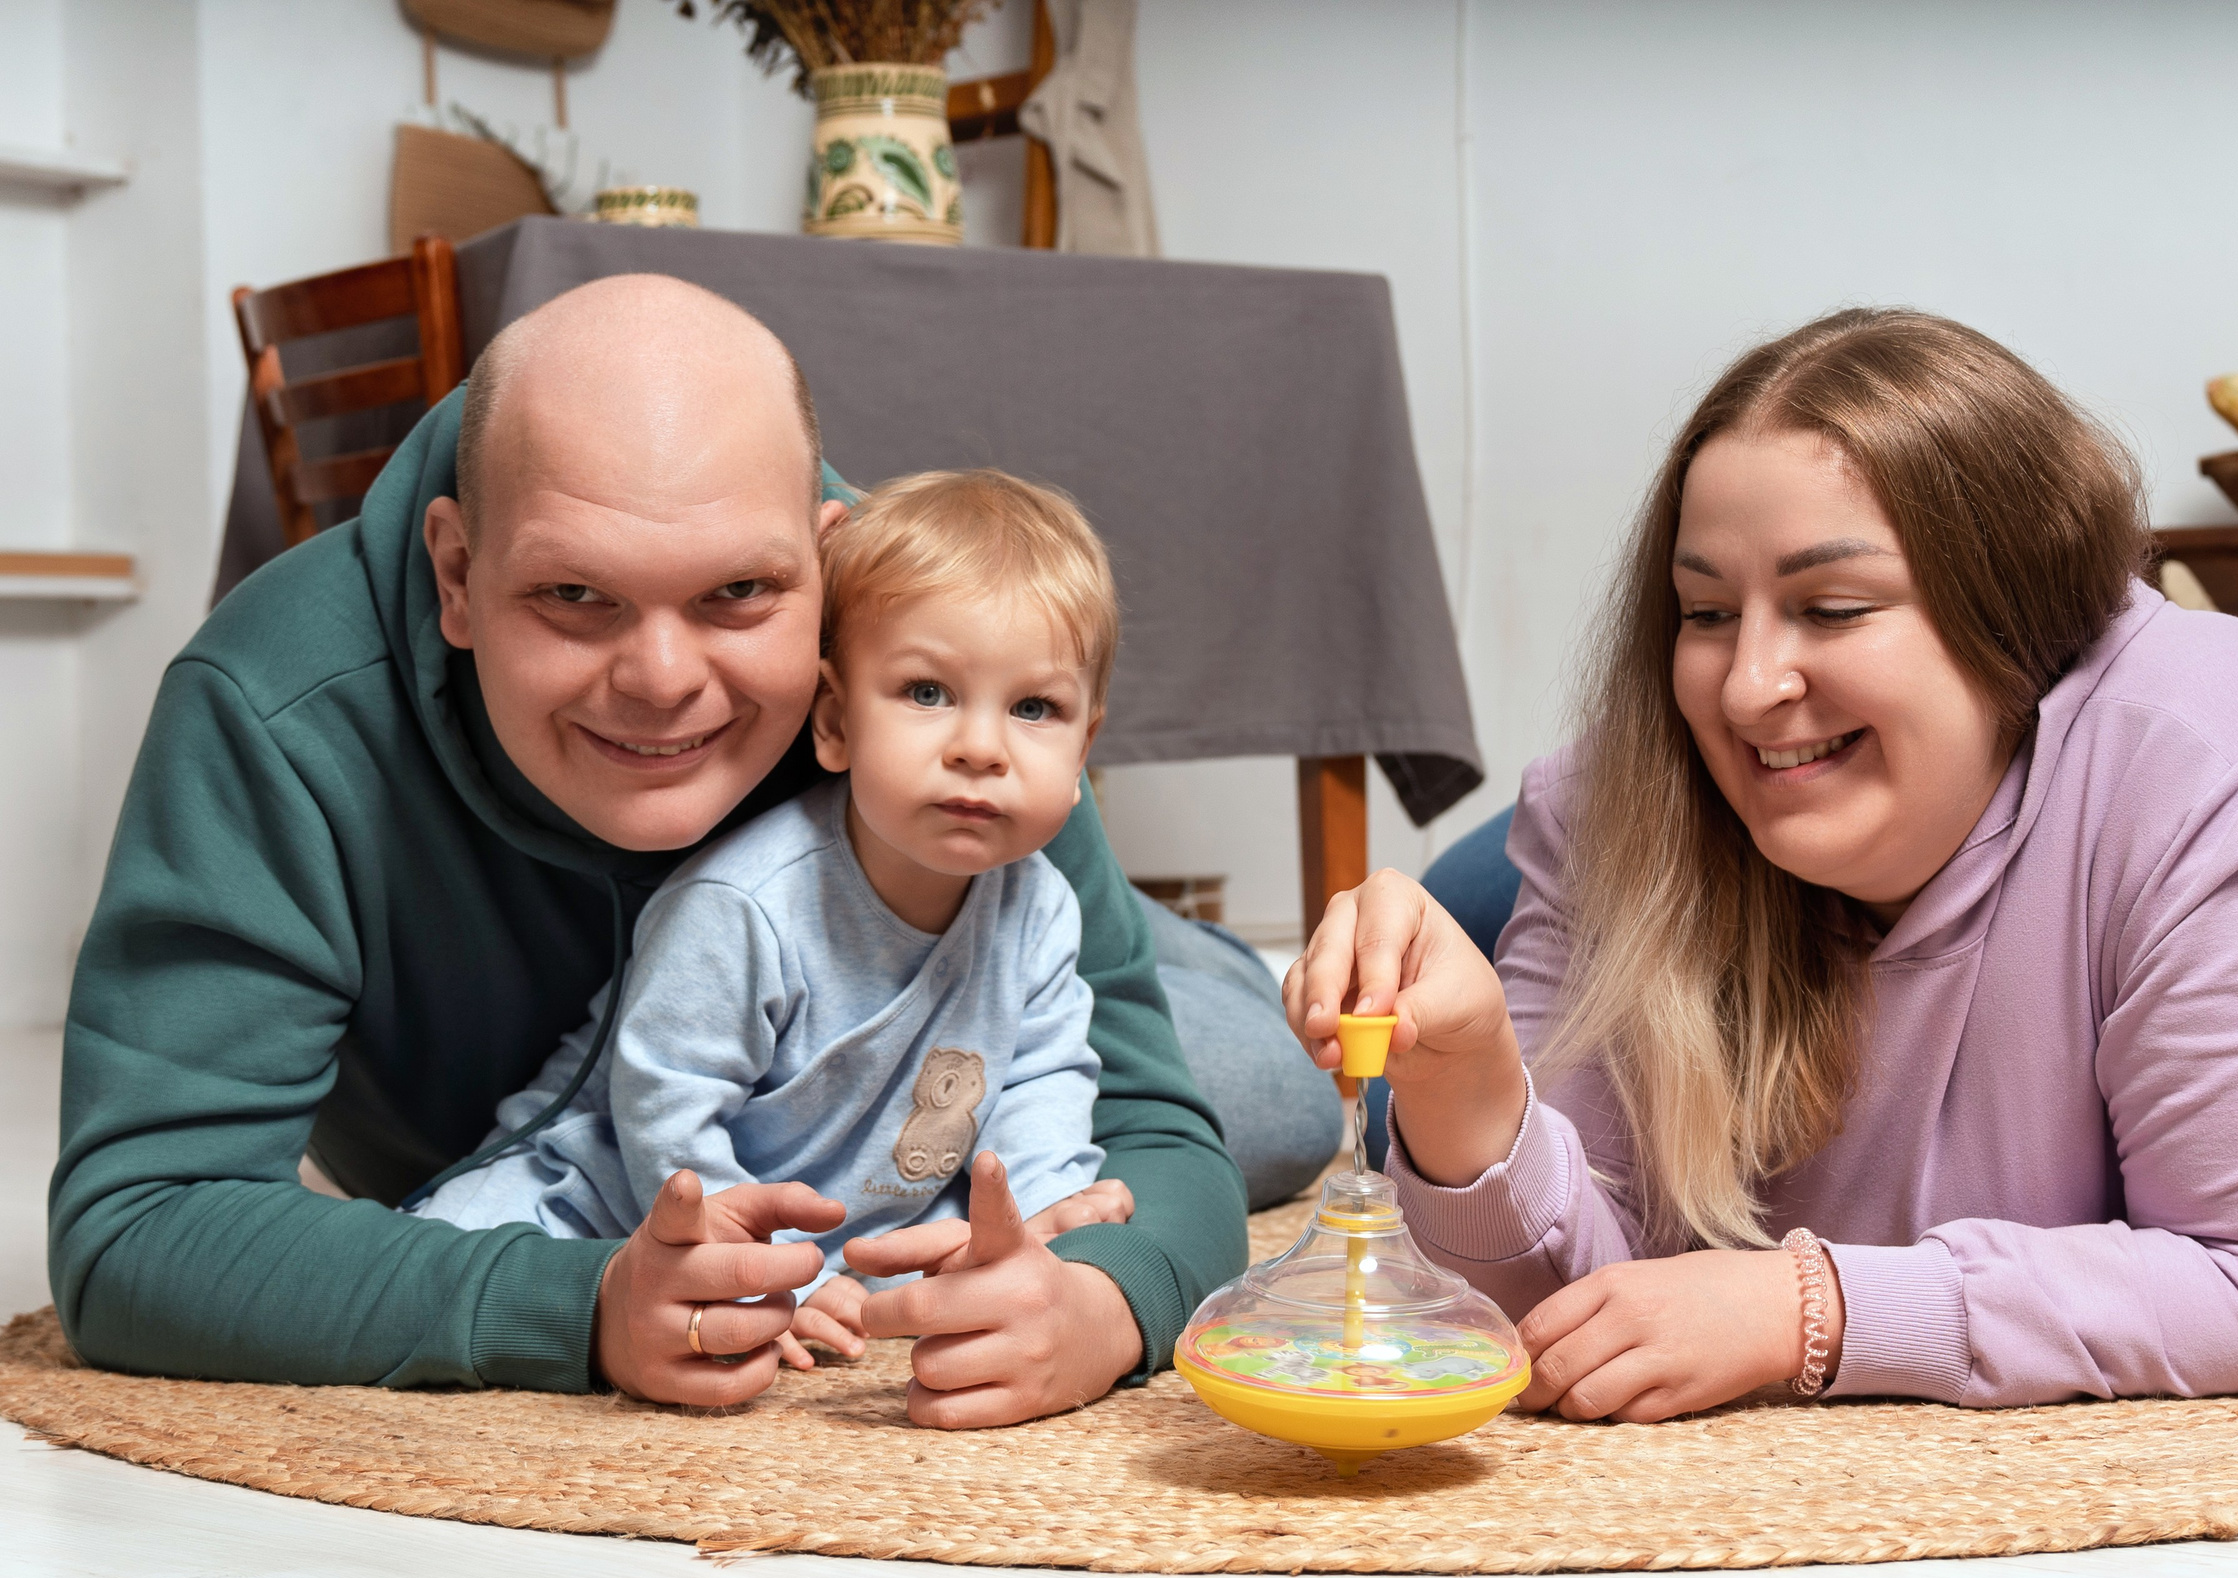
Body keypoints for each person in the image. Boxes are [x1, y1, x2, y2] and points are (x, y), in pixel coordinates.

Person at [52, 274, 1325, 1423]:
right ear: (455, 571)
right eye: (573, 596)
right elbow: (137, 1232)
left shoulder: (925, 662)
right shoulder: (271, 707)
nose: (661, 682)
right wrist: (585, 1303)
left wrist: (1104, 1301)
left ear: (824, 563)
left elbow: (1152, 1126)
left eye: (737, 596)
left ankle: (1181, 949)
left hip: (943, 1021)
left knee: (1277, 1091)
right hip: (556, 1158)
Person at [1289, 307, 2238, 1420]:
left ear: (2015, 622)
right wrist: (1470, 1083)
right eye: (1702, 611)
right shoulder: (1612, 804)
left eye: (1831, 608)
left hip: (1803, 811)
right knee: (1370, 1020)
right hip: (1568, 859)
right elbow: (1542, 1328)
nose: (1747, 686)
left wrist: (1811, 1307)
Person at [411, 469, 1127, 1374]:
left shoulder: (1039, 906)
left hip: (854, 1212)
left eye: (1034, 709)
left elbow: (1040, 1079)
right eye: (926, 693)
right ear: (832, 720)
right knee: (475, 1238)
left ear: (1081, 753)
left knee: (958, 1247)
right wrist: (749, 1278)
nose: (980, 748)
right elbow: (665, 1104)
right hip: (616, 1191)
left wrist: (1039, 1218)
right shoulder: (747, 904)